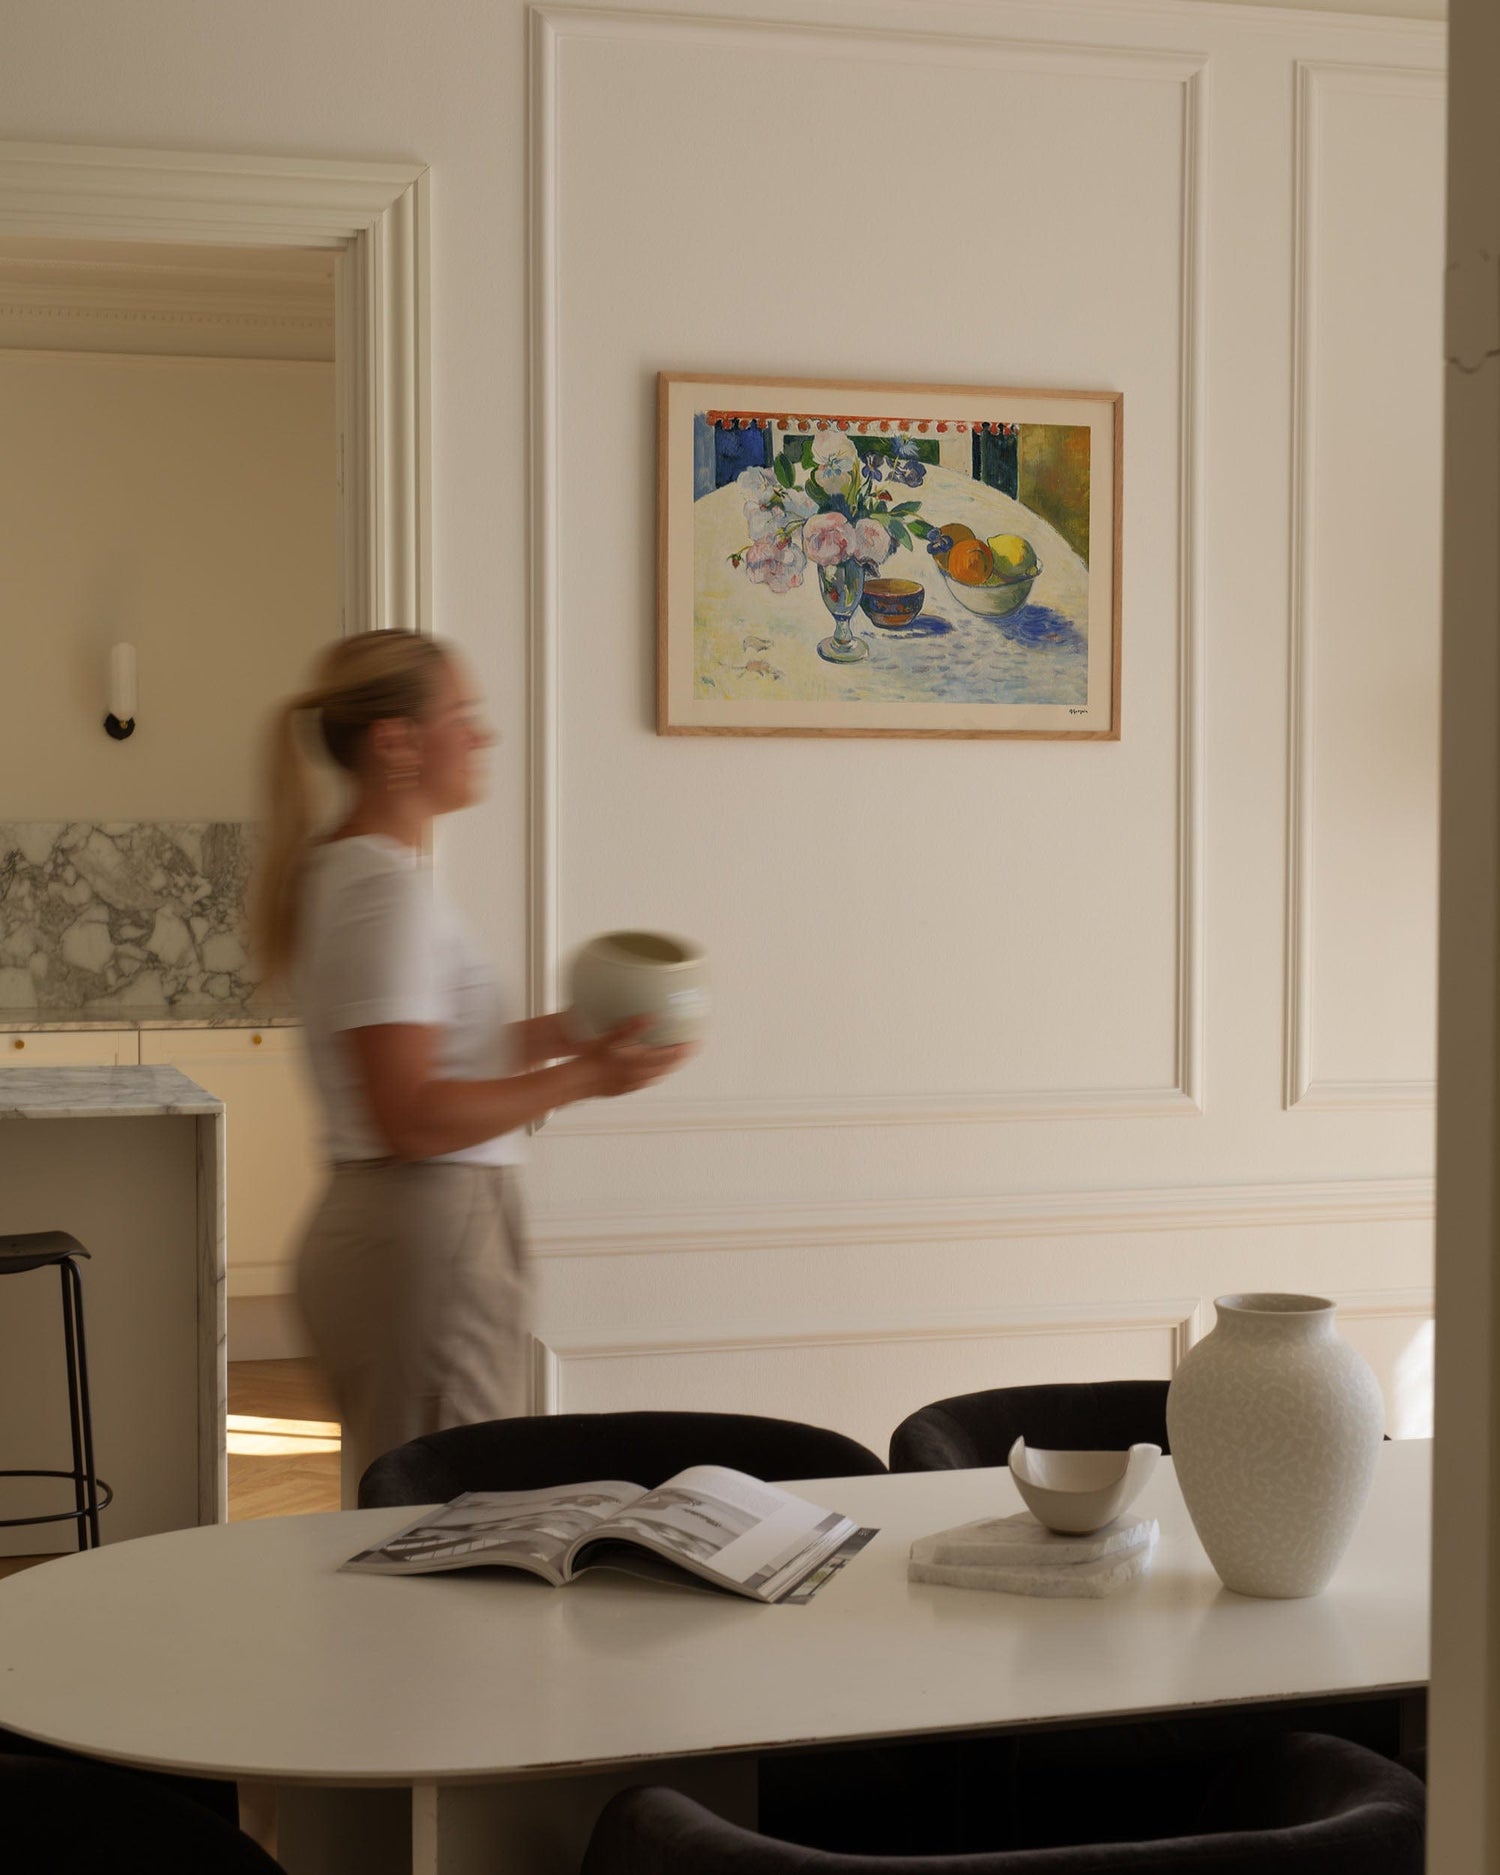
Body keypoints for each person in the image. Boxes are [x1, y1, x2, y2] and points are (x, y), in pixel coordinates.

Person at [251, 630, 691, 1505]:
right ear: (397, 742)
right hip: (428, 1236)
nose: (483, 737)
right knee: (453, 1527)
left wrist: (566, 1033)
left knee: (417, 1518)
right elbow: (410, 1114)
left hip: (405, 1232)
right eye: (464, 715)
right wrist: (588, 1075)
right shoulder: (386, 893)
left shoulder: (348, 873)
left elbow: (423, 1057)